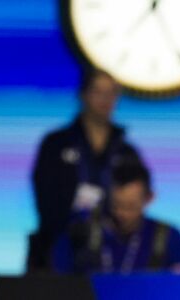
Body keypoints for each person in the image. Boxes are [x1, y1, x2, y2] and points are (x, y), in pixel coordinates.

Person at [28, 68, 142, 273]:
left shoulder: (126, 151)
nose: (105, 99)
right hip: (58, 249)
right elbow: (44, 199)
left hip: (114, 255)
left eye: (111, 93)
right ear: (83, 94)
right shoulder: (55, 144)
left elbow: (137, 201)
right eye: (98, 92)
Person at [52, 162, 180, 299]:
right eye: (116, 205)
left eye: (130, 206)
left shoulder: (167, 236)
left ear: (149, 198)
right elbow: (54, 286)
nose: (122, 214)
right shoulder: (80, 233)